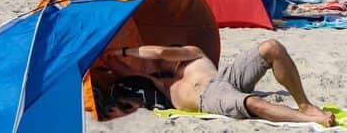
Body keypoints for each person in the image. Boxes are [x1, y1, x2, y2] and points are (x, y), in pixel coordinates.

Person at [98, 40, 333, 125]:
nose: (159, 65)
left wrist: (123, 50)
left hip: (221, 81)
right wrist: (106, 57)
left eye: (163, 62)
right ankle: (308, 118)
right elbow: (120, 70)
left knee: (271, 47)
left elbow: (159, 52)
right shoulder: (163, 84)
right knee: (253, 104)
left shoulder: (191, 54)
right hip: (207, 98)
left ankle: (305, 106)